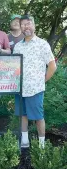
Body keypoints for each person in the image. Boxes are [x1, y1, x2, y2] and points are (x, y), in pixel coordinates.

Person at [13, 15, 57, 148]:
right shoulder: (17, 46)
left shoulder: (42, 44)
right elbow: (14, 66)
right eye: (23, 24)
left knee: (38, 117)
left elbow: (52, 66)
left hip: (35, 88)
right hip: (20, 87)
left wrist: (42, 81)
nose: (26, 26)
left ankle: (42, 145)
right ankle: (24, 141)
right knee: (22, 115)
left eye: (29, 23)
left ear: (34, 25)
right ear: (20, 27)